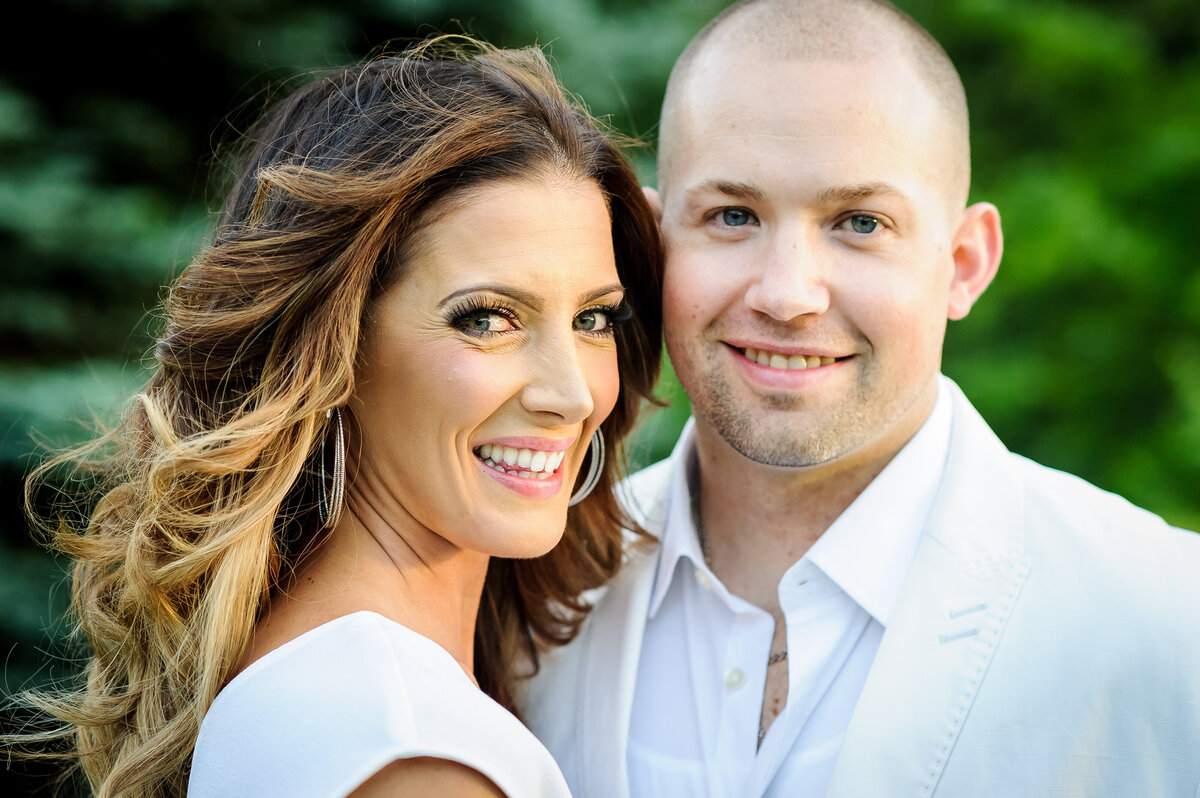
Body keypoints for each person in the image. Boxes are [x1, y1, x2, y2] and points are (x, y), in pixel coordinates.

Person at [520, 1, 1200, 796]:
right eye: (733, 215)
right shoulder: (529, 595)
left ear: (965, 262)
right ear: (654, 239)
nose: (787, 295)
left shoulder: (1167, 619)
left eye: (859, 223)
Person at [5, 37, 662, 798]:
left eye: (594, 319)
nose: (572, 395)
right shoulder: (410, 752)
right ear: (334, 345)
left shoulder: (324, 684)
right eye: (487, 319)